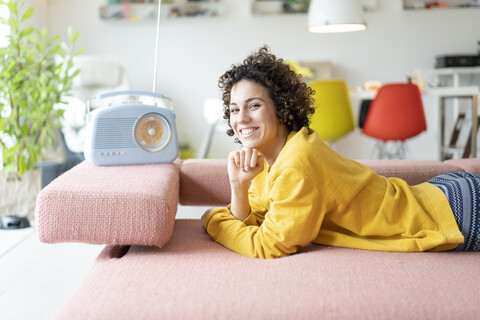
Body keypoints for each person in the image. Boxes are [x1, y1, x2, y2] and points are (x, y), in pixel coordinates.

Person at [201, 45, 480, 259]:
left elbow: (269, 244)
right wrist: (238, 186)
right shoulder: (271, 156)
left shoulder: (296, 163)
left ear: (282, 110)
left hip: (453, 215)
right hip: (436, 196)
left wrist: (214, 221)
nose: (241, 118)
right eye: (235, 109)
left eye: (254, 106)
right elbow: (256, 219)